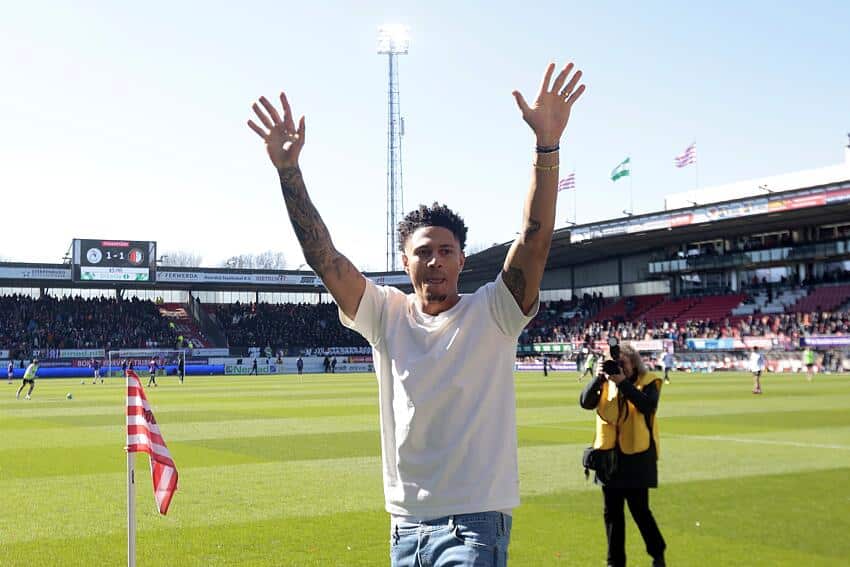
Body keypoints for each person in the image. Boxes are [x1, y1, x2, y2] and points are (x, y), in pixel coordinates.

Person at [247, 59, 585, 566]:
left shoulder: (494, 311)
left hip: (473, 521)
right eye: (423, 252)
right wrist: (288, 172)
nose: (435, 261)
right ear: (404, 263)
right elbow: (325, 259)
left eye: (446, 251)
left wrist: (547, 145)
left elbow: (534, 239)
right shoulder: (386, 314)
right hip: (404, 527)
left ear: (462, 260)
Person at [579, 344, 666, 567]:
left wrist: (622, 383)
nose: (619, 368)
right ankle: (614, 562)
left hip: (637, 457)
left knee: (640, 512)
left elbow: (648, 406)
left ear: (634, 363)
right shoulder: (605, 384)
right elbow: (585, 402)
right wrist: (599, 378)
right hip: (609, 459)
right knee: (612, 515)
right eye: (615, 364)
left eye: (623, 363)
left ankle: (657, 554)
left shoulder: (648, 382)